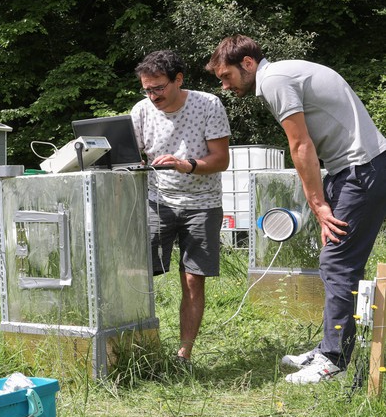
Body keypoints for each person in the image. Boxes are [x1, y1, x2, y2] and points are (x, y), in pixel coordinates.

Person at [207, 35, 386, 384]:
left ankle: (333, 361)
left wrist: (318, 204)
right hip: (352, 169)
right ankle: (330, 347)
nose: (225, 86)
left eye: (226, 76)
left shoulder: (274, 80)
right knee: (337, 259)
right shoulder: (287, 73)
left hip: (359, 170)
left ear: (247, 64)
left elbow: (300, 143)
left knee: (337, 261)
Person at [131, 50, 231, 362]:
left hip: (203, 203)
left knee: (192, 279)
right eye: (147, 89)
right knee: (137, 274)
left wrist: (185, 164)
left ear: (179, 80)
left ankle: (183, 354)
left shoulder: (208, 104)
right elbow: (129, 156)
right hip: (157, 202)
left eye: (159, 88)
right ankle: (139, 348)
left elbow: (221, 159)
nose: (153, 96)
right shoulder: (141, 110)